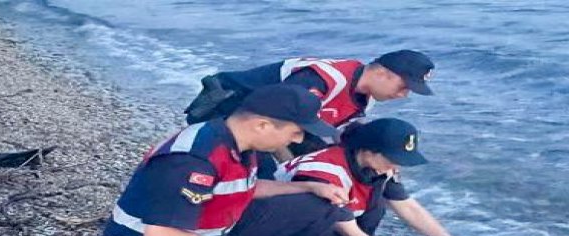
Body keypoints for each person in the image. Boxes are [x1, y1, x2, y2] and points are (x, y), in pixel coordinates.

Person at [100, 84, 356, 236]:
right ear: (262, 125)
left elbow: (245, 187)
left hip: (205, 231)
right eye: (296, 131)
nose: (298, 139)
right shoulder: (192, 159)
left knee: (319, 205)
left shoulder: (237, 141)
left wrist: (308, 187)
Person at [275, 118, 482, 236]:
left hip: (333, 224)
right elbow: (351, 231)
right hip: (283, 232)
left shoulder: (378, 168)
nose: (396, 167)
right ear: (369, 151)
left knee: (378, 202)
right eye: (393, 159)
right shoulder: (326, 172)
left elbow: (409, 208)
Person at [184, 50, 435, 178]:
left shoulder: (363, 101)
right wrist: (289, 167)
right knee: (264, 175)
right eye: (404, 87)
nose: (404, 95)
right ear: (382, 73)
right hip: (228, 108)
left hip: (282, 123)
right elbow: (274, 122)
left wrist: (385, 159)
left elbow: (337, 138)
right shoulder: (322, 79)